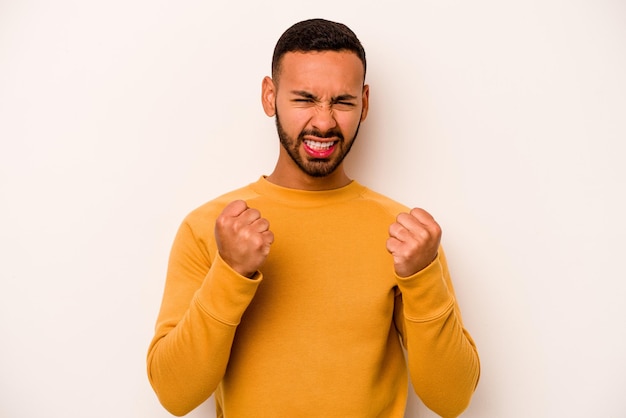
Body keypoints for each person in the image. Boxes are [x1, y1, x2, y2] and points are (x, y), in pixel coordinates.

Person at [147, 18, 480, 418]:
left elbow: (452, 399)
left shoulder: (407, 236)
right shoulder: (212, 228)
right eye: (304, 99)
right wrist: (231, 272)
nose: (323, 122)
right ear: (270, 97)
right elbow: (174, 394)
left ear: (365, 102)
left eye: (342, 102)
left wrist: (424, 278)